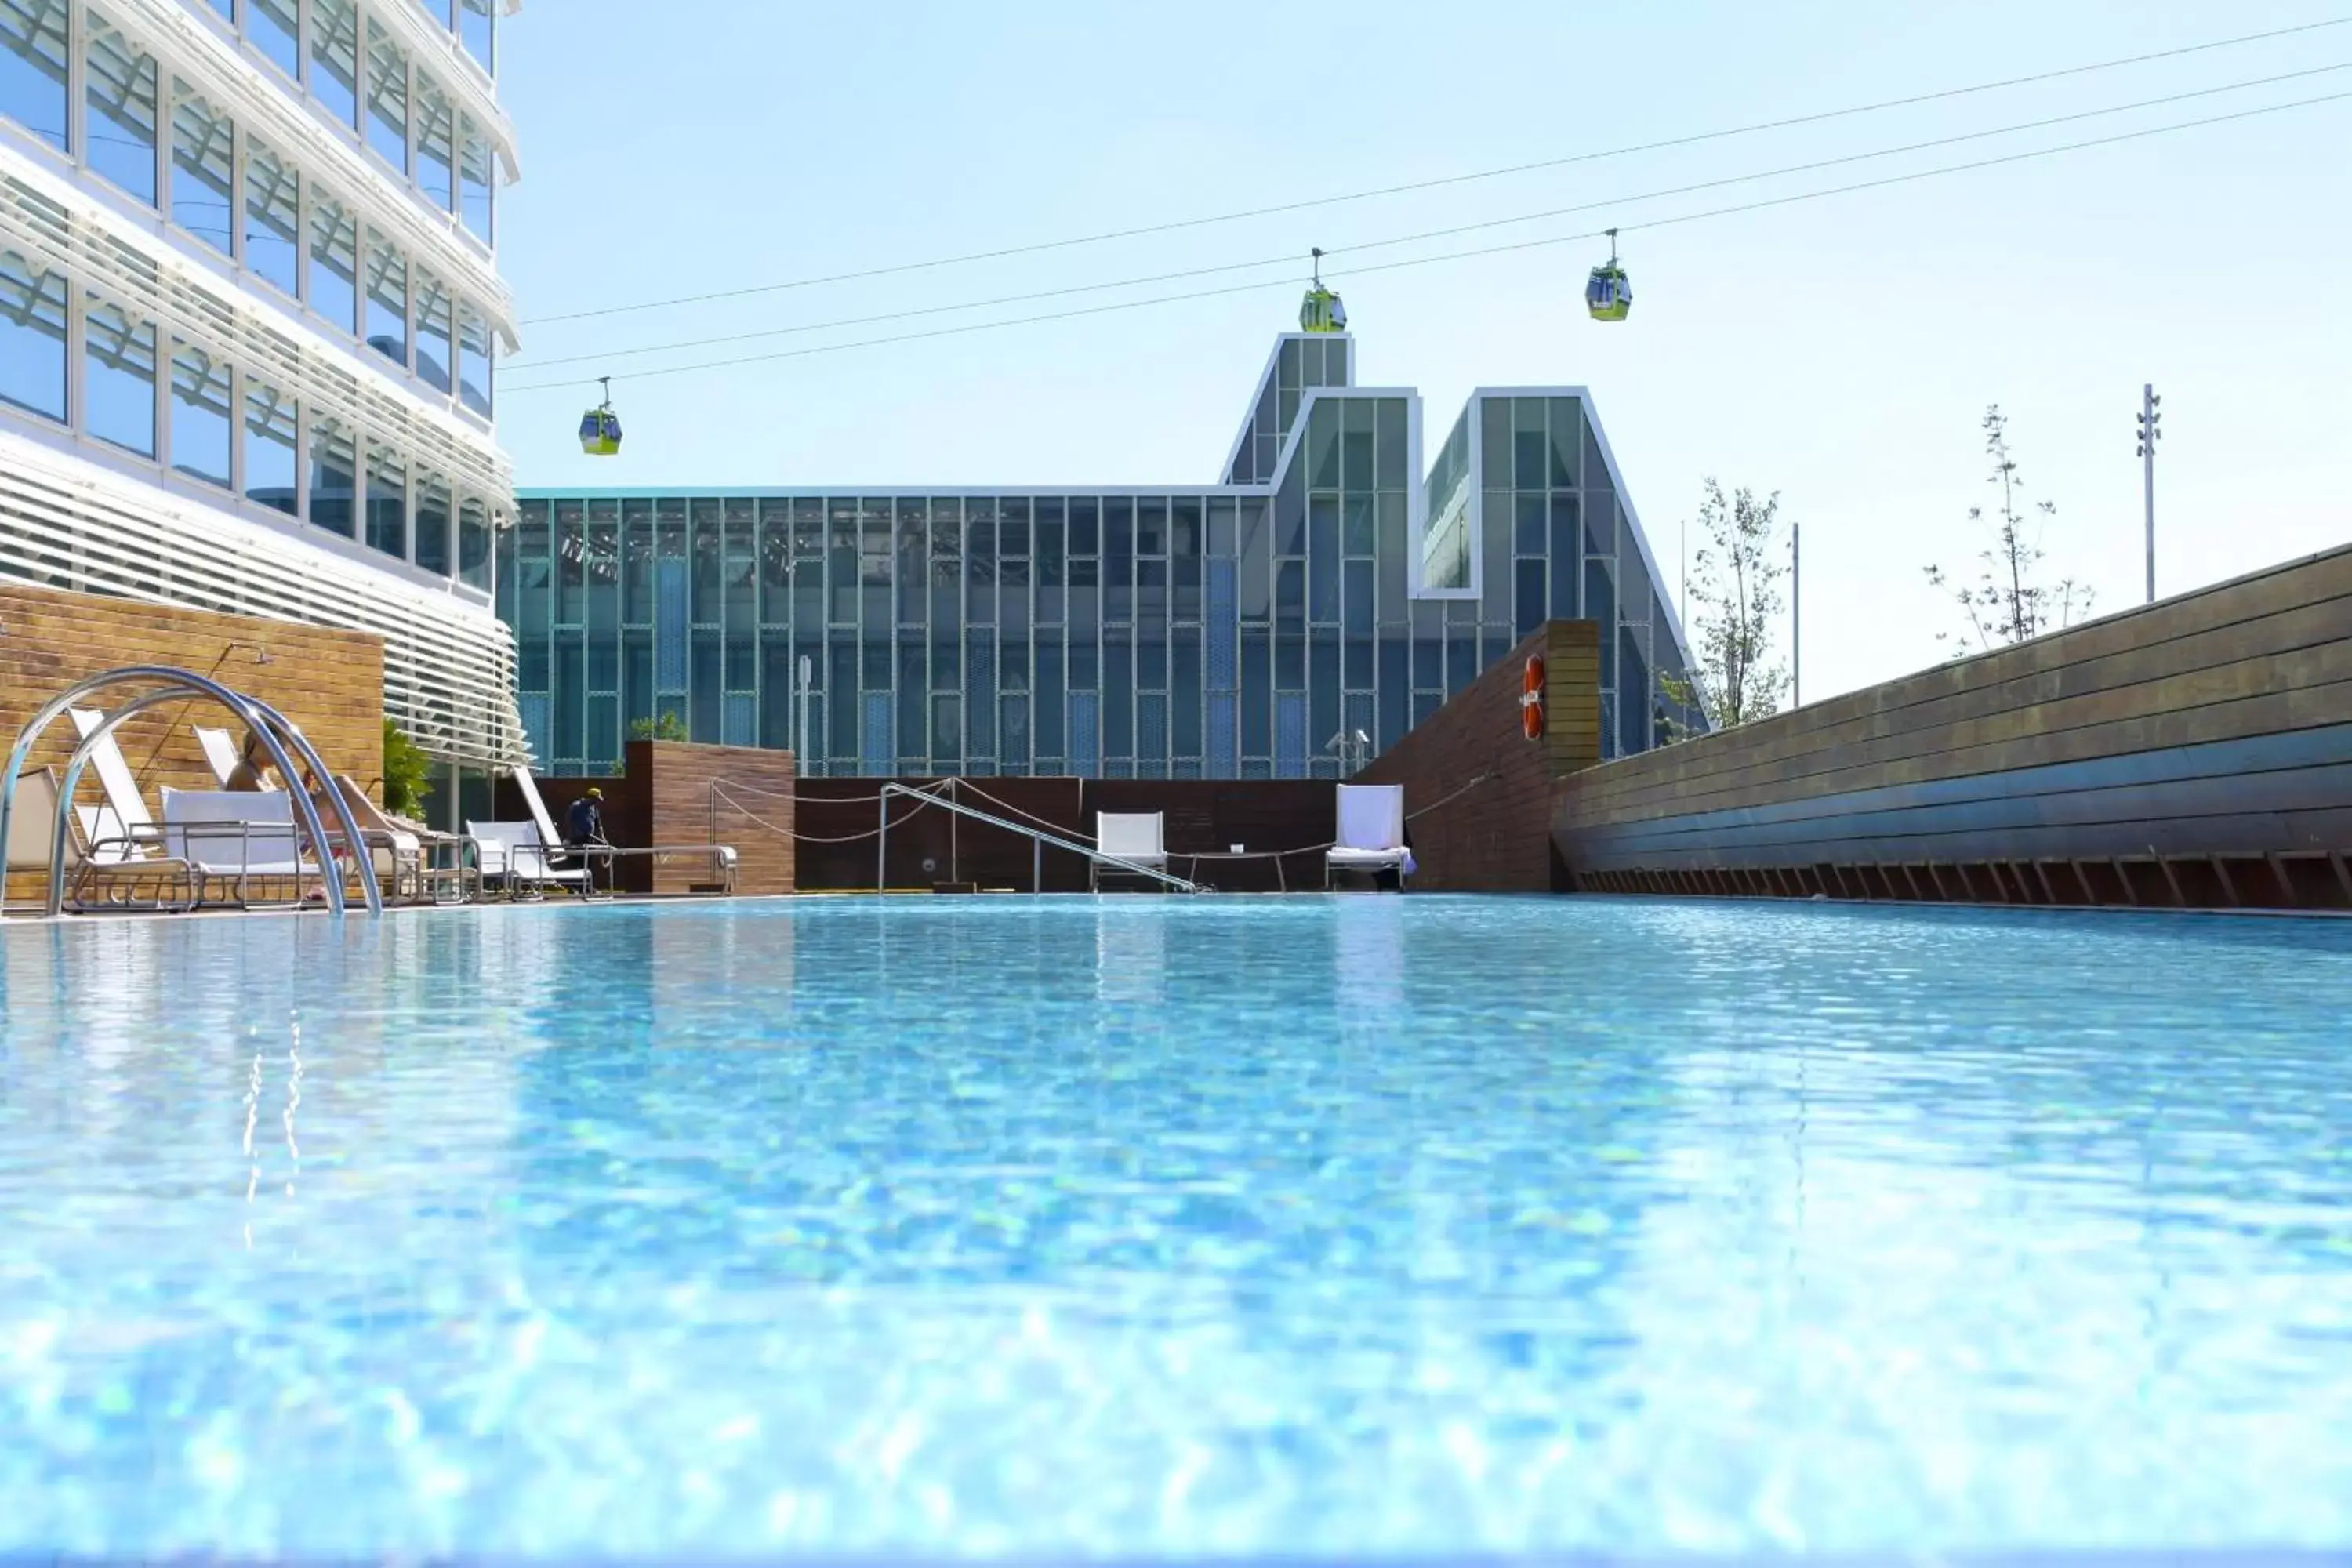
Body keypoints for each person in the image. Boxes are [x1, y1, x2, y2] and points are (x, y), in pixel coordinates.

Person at [564, 786, 610, 895]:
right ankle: (573, 888)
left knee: (587, 865)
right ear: (590, 798)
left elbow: (599, 825)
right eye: (595, 800)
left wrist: (603, 838)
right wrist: (571, 835)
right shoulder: (575, 807)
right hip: (576, 840)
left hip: (589, 841)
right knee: (575, 864)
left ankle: (587, 888)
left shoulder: (594, 809)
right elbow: (568, 822)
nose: (596, 802)